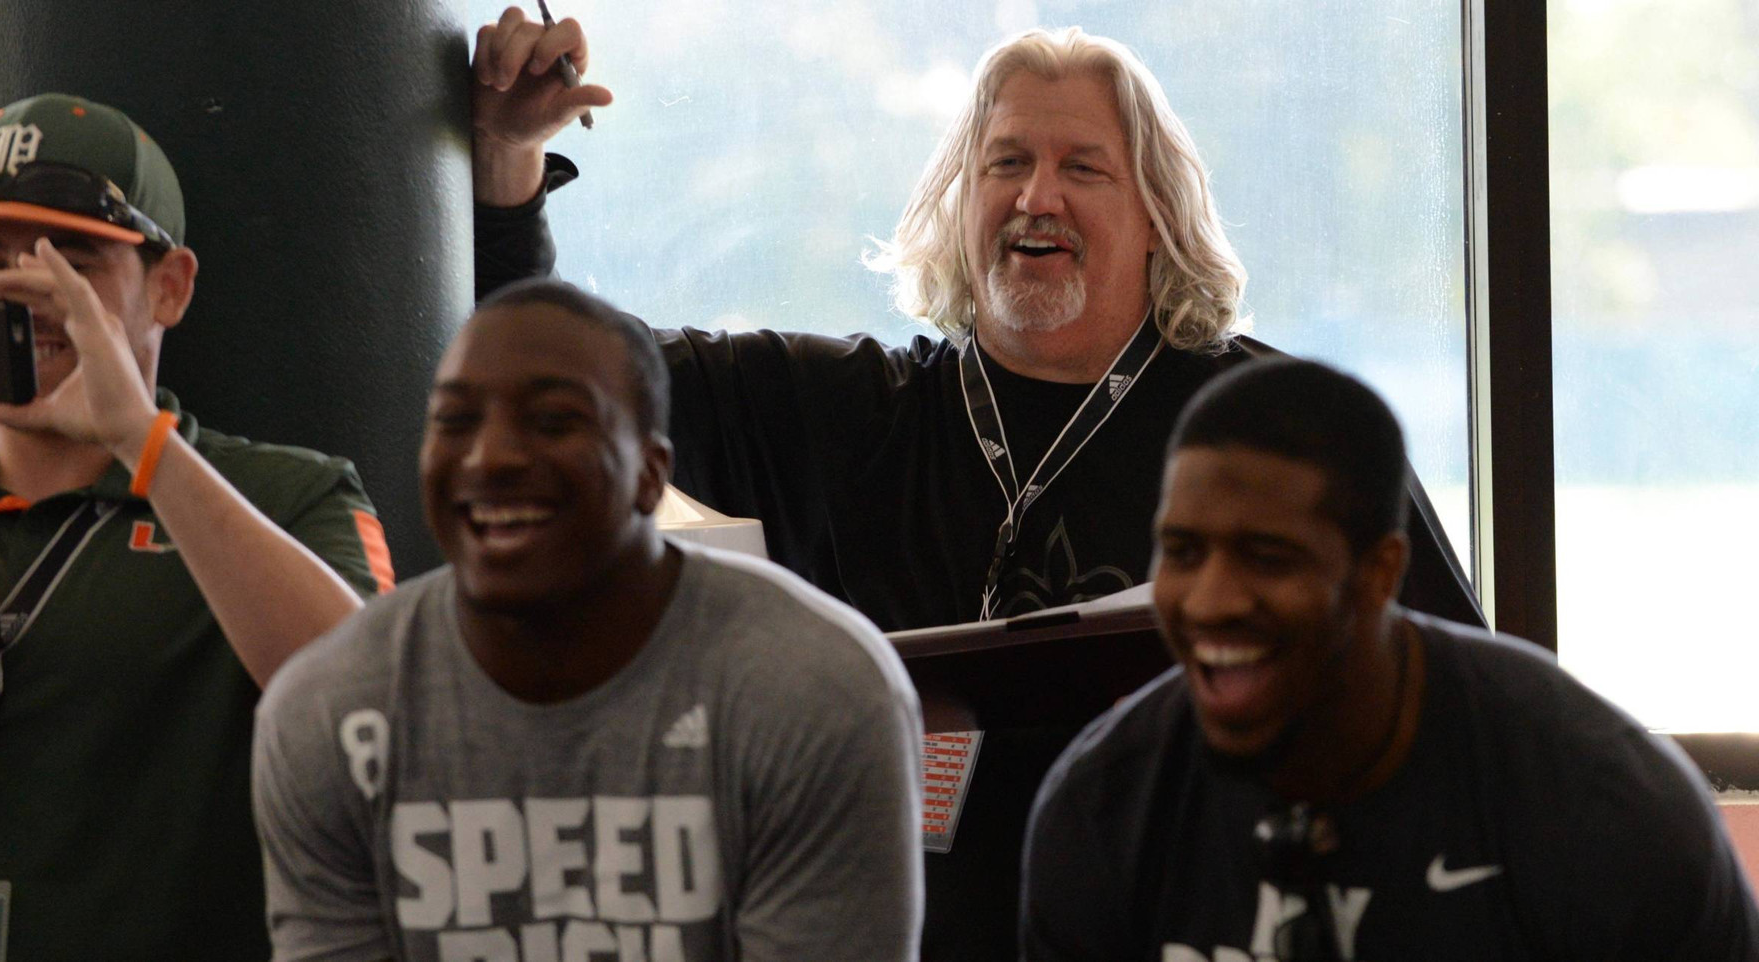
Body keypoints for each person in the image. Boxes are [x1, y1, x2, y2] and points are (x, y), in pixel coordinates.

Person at [462, 15, 1485, 960]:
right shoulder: (855, 413)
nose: (1037, 196)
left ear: (1161, 218)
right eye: (1006, 164)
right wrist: (509, 162)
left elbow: (1473, 705)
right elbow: (561, 377)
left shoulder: (1277, 430)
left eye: (1083, 167)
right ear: (962, 205)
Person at [0, 93, 393, 961]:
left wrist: (141, 443)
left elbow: (372, 718)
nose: (14, 296)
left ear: (168, 289)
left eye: (65, 266)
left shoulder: (289, 495)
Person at [250, 280, 925, 961]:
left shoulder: (816, 693)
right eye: (454, 422)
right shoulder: (332, 707)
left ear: (651, 475)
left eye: (554, 421)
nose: (491, 458)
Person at [1022, 357, 1759, 960]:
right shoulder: (1105, 808)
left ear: (1380, 573)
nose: (1211, 600)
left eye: (1268, 557)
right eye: (1182, 552)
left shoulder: (1600, 810)